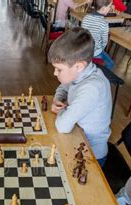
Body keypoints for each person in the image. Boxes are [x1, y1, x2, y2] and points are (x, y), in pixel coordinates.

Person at [48, 27, 112, 167]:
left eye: (59, 69)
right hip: (77, 137)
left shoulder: (92, 88)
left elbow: (63, 126)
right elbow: (64, 87)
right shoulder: (80, 74)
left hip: (90, 154)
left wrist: (63, 111)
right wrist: (58, 99)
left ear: (79, 66)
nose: (54, 73)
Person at [82, 0, 115, 69]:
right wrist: (99, 49)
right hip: (96, 52)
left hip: (84, 49)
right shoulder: (104, 24)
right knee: (110, 64)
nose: (111, 8)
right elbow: (105, 41)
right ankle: (100, 76)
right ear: (103, 8)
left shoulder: (85, 18)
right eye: (109, 6)